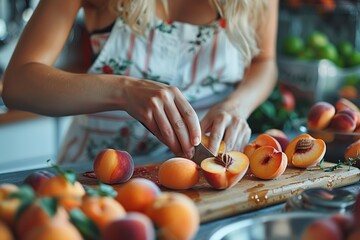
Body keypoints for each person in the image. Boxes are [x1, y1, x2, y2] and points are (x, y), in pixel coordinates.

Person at [2, 0, 279, 164]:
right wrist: (124, 91)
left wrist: (236, 107)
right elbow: (17, 85)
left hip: (204, 170)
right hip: (98, 171)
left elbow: (264, 62)